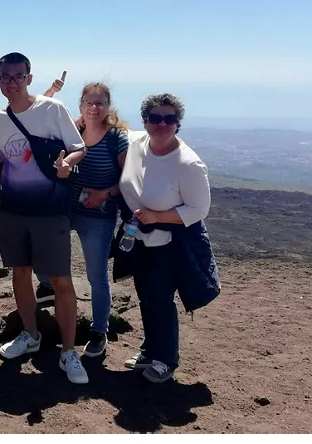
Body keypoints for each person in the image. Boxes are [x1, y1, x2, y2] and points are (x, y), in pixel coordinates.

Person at [0, 52, 89, 384]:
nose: (13, 82)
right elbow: (2, 162)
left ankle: (69, 351)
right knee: (20, 273)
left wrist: (68, 164)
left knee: (61, 280)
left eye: (19, 76)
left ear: (29, 78)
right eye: (7, 77)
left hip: (51, 209)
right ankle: (30, 335)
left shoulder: (52, 109)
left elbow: (79, 147)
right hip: (14, 209)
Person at [118, 92, 213, 383]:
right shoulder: (137, 143)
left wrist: (158, 216)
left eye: (169, 119)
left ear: (178, 123)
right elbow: (109, 124)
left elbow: (199, 208)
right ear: (145, 121)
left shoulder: (187, 163)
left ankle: (166, 359)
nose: (162, 124)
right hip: (139, 238)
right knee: (146, 296)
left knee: (159, 299)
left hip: (167, 243)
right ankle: (150, 349)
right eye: (155, 118)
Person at [44, 81, 130, 358]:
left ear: (108, 106)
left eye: (100, 103)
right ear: (81, 105)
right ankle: (46, 287)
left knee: (96, 276)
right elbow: (40, 116)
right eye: (89, 102)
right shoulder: (75, 130)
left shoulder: (117, 137)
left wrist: (104, 194)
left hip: (99, 216)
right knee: (42, 247)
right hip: (68, 209)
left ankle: (98, 330)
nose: (94, 108)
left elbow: (128, 180)